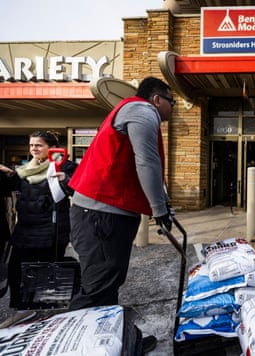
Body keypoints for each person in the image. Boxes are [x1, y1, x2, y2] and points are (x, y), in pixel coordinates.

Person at [67, 76, 175, 352]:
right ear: (157, 99)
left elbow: (150, 167)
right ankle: (75, 345)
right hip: (101, 213)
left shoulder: (136, 111)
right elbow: (146, 161)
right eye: (171, 102)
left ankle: (113, 341)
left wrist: (163, 204)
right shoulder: (141, 111)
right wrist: (159, 210)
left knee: (108, 282)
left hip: (105, 212)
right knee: (97, 288)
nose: (172, 109)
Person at [0, 131, 77, 309]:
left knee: (45, 274)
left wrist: (66, 180)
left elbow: (77, 188)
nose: (34, 148)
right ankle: (20, 309)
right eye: (31, 145)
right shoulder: (26, 169)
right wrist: (9, 174)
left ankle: (44, 312)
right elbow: (12, 187)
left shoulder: (63, 165)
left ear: (51, 148)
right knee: (16, 271)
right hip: (25, 229)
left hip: (49, 231)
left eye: (39, 145)